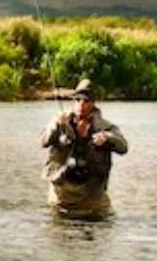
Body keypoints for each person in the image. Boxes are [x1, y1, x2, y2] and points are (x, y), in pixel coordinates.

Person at [41, 79, 128, 217]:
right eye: (78, 100)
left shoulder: (106, 127)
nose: (81, 104)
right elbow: (43, 141)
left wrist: (107, 138)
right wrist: (57, 126)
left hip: (93, 196)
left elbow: (124, 147)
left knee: (101, 232)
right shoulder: (60, 120)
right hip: (61, 194)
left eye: (86, 101)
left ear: (93, 103)